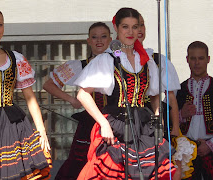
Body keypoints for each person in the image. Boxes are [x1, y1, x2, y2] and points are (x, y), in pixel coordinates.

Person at [75, 7, 177, 180]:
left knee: (160, 171)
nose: (130, 32)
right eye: (125, 27)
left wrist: (158, 114)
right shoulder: (107, 59)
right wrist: (104, 124)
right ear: (116, 28)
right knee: (114, 172)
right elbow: (82, 95)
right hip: (117, 123)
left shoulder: (146, 60)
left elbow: (154, 94)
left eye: (135, 27)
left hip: (144, 125)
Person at [0, 8, 52, 179]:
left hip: (14, 124)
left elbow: (30, 98)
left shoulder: (15, 58)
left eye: (0, 24)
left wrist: (41, 131)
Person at [43, 22, 112, 179]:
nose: (99, 41)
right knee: (82, 162)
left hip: (113, 121)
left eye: (103, 37)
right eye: (94, 37)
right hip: (90, 123)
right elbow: (48, 84)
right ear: (88, 41)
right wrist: (71, 99)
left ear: (110, 39)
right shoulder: (79, 66)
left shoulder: (118, 64)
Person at [138, 14, 197, 179]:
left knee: (170, 167)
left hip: (155, 122)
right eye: (134, 26)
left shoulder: (157, 60)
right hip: (130, 122)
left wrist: (176, 129)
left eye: (141, 25)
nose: (139, 30)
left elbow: (170, 98)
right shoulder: (119, 60)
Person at [176, 41, 213, 180]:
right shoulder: (178, 90)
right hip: (186, 154)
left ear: (208, 59)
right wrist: (181, 115)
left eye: (201, 58)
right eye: (193, 58)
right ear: (187, 60)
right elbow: (166, 121)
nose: (197, 62)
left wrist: (210, 145)